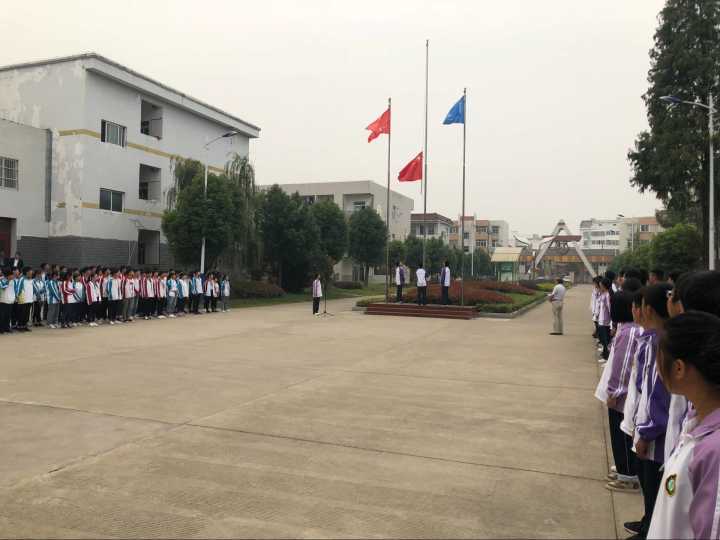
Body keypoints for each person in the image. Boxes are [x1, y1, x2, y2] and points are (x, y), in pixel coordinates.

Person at [648, 311, 720, 539]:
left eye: (659, 358)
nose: (657, 368)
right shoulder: (696, 424)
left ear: (678, 368)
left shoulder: (714, 451)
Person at [629, 283, 673, 540]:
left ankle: (649, 531)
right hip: (651, 428)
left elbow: (658, 395)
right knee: (650, 488)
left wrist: (645, 433)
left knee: (654, 487)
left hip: (656, 437)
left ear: (648, 309)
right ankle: (647, 524)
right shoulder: (655, 340)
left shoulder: (659, 345)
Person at [595, 291, 641, 492]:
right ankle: (624, 469)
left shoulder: (628, 333)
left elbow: (622, 367)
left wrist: (613, 392)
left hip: (621, 397)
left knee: (621, 435)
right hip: (625, 395)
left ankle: (627, 476)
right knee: (621, 436)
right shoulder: (629, 329)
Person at [596, 278, 613, 358]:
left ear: (604, 286)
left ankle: (606, 356)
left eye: (601, 285)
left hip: (605, 321)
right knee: (602, 338)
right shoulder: (603, 294)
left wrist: (611, 322)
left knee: (606, 340)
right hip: (601, 320)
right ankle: (605, 354)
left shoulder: (607, 295)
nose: (600, 287)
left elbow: (609, 309)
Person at [0, 267, 14, 333]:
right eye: (11, 275)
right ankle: (1, 329)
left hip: (10, 300)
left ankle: (7, 328)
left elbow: (14, 289)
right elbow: (3, 288)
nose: (12, 276)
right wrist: (8, 281)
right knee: (2, 316)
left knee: (8, 316)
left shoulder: (13, 281)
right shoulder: (1, 280)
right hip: (3, 301)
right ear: (8, 275)